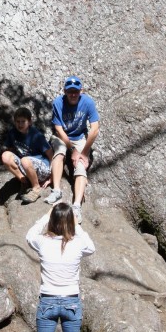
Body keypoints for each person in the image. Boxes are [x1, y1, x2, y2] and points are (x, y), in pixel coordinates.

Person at [25, 203, 95, 332]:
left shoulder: (43, 242)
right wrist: (77, 224)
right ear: (71, 222)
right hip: (71, 301)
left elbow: (29, 235)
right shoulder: (77, 244)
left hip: (47, 301)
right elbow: (92, 247)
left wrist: (45, 216)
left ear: (52, 221)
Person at [45, 76, 100, 223]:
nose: (73, 95)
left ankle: (76, 207)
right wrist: (72, 150)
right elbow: (58, 128)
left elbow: (94, 129)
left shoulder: (87, 102)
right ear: (65, 91)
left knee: (81, 165)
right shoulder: (58, 103)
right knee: (59, 152)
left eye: (76, 91)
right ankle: (56, 190)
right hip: (62, 137)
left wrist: (83, 153)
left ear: (80, 91)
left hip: (80, 137)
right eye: (70, 92)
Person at [2, 107, 53, 204]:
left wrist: (52, 177)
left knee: (24, 160)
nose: (20, 124)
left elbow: (50, 154)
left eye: (23, 121)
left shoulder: (36, 135)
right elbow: (10, 150)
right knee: (5, 156)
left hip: (42, 168)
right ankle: (24, 181)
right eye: (18, 121)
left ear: (29, 122)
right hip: (26, 166)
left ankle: (36, 188)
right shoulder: (13, 133)